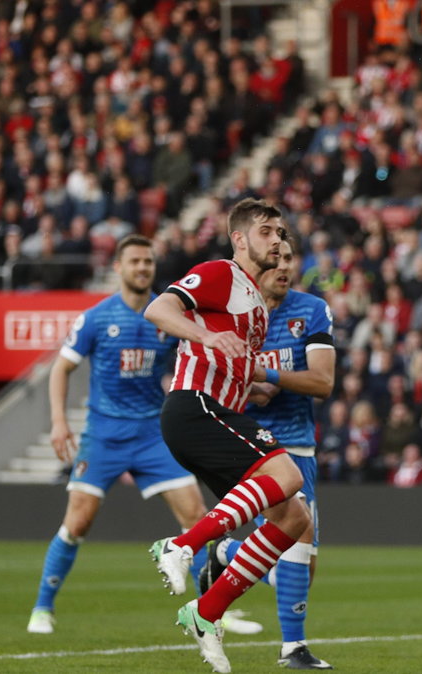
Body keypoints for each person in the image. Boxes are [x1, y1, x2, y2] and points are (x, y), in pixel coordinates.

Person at [144, 198, 310, 673]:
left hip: (219, 412)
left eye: (280, 232)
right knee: (287, 474)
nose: (276, 239)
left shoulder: (257, 308)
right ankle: (181, 545)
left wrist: (250, 385)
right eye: (265, 231)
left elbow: (230, 353)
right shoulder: (220, 272)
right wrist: (206, 338)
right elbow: (160, 308)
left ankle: (206, 612)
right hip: (193, 406)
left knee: (292, 518)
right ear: (239, 239)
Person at [27, 235, 207, 635]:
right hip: (103, 435)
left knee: (197, 519)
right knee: (77, 523)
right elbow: (61, 368)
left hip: (152, 434)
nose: (143, 268)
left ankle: (211, 611)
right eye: (135, 262)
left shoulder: (167, 314)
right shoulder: (95, 318)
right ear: (119, 268)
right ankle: (42, 607)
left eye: (148, 261)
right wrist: (59, 421)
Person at [199, 238, 336, 669]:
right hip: (253, 444)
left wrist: (267, 374)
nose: (284, 266)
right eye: (276, 258)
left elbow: (323, 383)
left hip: (300, 446)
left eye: (289, 259)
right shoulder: (233, 314)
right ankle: (293, 648)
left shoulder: (312, 310)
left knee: (301, 571)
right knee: (297, 536)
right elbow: (213, 379)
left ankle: (223, 554)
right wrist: (248, 389)